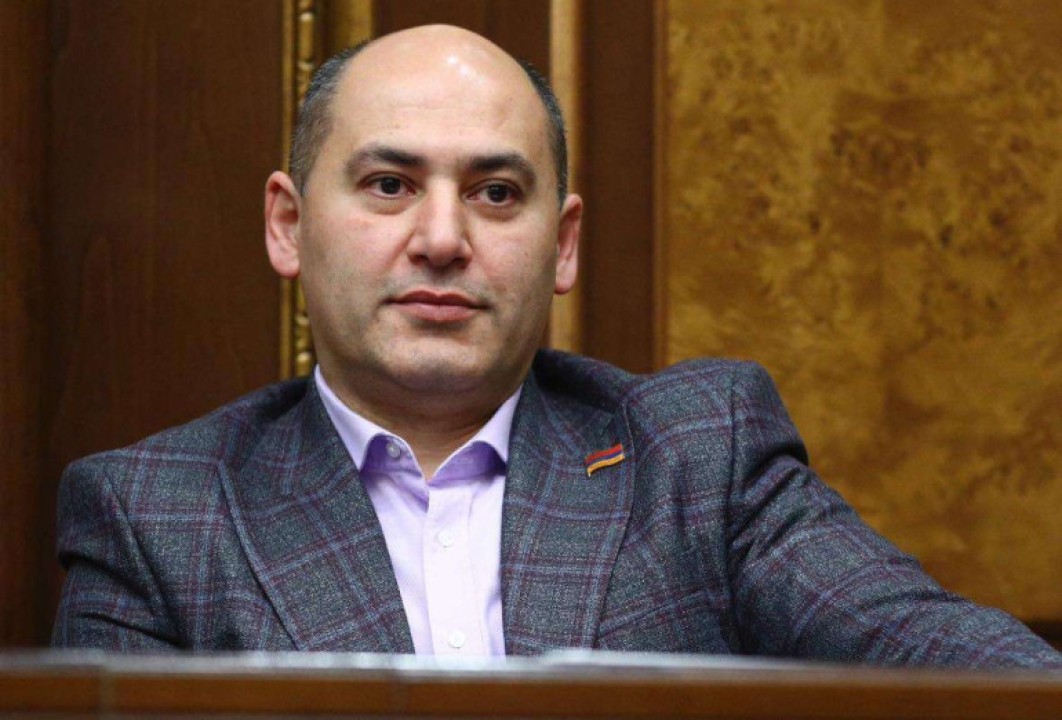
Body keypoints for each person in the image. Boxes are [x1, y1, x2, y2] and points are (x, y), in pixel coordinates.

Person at [52, 24, 1061, 666]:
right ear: (288, 225)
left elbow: (958, 663)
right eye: (389, 185)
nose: (442, 238)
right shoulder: (155, 515)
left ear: (563, 244)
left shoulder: (699, 459)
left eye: (496, 193)